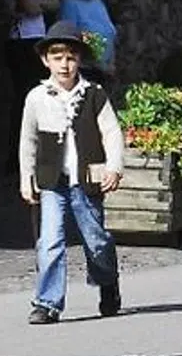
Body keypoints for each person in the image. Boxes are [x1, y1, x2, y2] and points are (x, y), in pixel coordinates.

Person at [19, 20, 125, 324]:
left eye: (71, 58)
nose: (64, 65)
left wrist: (114, 167)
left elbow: (111, 133)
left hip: (87, 182)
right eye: (57, 58)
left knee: (96, 241)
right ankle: (47, 302)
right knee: (50, 241)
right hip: (52, 183)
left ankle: (108, 282)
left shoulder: (94, 94)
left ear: (79, 60)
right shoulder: (36, 98)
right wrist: (27, 178)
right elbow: (28, 140)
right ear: (46, 60)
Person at [3, 0, 60, 185]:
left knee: (41, 96)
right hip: (20, 41)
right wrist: (37, 5)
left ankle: (39, 153)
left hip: (38, 38)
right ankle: (16, 159)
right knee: (24, 98)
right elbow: (29, 7)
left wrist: (39, 5)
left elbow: (53, 2)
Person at [57, 0, 118, 88]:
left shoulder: (98, 2)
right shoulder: (69, 3)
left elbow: (110, 32)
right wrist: (99, 66)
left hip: (105, 71)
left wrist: (110, 64)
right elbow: (72, 38)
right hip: (85, 71)